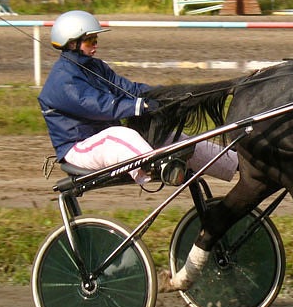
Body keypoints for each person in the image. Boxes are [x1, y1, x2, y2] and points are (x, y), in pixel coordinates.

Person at [38, 10, 238, 185]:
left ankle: (235, 163)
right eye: (90, 40)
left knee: (168, 135)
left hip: (103, 141)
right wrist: (140, 106)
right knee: (121, 135)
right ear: (72, 43)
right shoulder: (62, 79)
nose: (95, 45)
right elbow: (99, 106)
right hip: (78, 148)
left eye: (96, 40)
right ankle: (160, 167)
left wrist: (168, 96)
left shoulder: (95, 66)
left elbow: (128, 89)